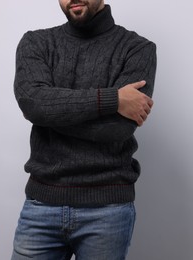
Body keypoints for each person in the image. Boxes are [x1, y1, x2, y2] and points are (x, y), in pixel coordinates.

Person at [11, 0, 157, 259]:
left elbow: (117, 127)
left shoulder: (137, 49)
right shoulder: (36, 43)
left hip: (108, 210)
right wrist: (113, 100)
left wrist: (52, 111)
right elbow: (33, 104)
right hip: (41, 204)